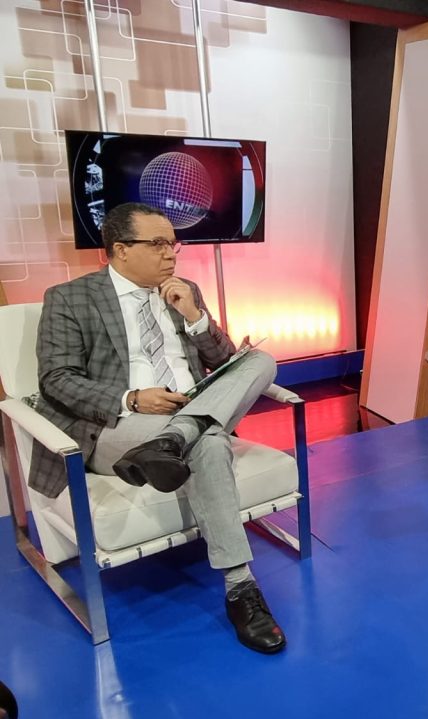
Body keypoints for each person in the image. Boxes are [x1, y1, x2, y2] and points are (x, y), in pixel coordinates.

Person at [30, 202, 286, 654]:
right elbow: (56, 379)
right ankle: (240, 587)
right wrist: (130, 398)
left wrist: (195, 317)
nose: (171, 253)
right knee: (209, 442)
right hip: (119, 424)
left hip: (191, 407)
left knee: (261, 361)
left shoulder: (185, 290)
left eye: (173, 244)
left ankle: (176, 436)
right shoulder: (70, 297)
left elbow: (225, 361)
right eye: (158, 244)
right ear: (120, 250)